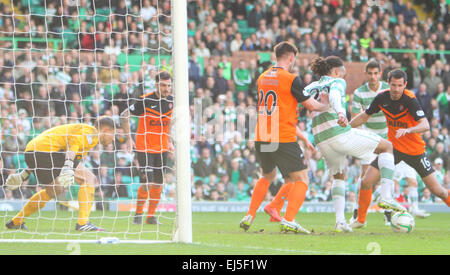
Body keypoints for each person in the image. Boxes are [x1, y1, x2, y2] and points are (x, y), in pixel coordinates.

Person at [303, 56, 405, 233]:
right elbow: (334, 95)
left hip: (320, 138)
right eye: (344, 73)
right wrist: (341, 113)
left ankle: (340, 222)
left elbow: (299, 98)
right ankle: (386, 196)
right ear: (336, 72)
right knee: (387, 146)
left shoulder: (311, 86)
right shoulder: (337, 82)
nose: (345, 76)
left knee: (339, 175)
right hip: (338, 133)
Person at [239, 41, 330, 234]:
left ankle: (251, 214)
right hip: (281, 136)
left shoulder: (262, 77)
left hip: (263, 134)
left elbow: (276, 111)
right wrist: (326, 106)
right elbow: (311, 106)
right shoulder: (291, 79)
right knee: (302, 179)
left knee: (268, 176)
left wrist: (302, 137)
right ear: (291, 57)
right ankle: (289, 220)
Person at [349, 69, 450, 228]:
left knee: (440, 191)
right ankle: (360, 220)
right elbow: (365, 116)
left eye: (399, 86)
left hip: (415, 151)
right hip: (393, 150)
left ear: (405, 85)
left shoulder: (410, 99)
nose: (396, 89)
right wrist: (347, 128)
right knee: (366, 181)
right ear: (388, 83)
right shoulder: (382, 97)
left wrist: (409, 130)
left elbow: (425, 125)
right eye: (393, 85)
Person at [5, 117, 116, 231]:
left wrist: (24, 175)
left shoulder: (85, 133)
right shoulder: (91, 134)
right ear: (106, 131)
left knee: (55, 190)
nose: (113, 139)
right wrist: (68, 165)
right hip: (47, 151)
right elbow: (72, 145)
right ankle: (83, 223)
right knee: (89, 178)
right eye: (113, 134)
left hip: (32, 151)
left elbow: (46, 152)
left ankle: (16, 221)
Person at [120, 71, 173, 225]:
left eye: (169, 85)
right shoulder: (145, 100)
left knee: (158, 183)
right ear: (156, 85)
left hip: (162, 148)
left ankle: (150, 216)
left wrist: (169, 141)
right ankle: (138, 213)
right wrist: (129, 138)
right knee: (147, 183)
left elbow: (168, 123)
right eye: (163, 85)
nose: (167, 89)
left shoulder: (172, 101)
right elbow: (124, 115)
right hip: (144, 148)